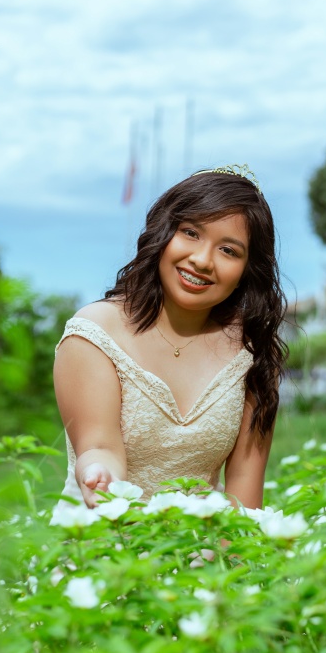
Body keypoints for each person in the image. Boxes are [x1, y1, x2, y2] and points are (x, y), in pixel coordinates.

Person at [53, 165, 287, 511]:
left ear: (247, 271)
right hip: (101, 545)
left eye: (229, 251)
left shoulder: (251, 354)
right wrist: (98, 474)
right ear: (163, 234)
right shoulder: (95, 333)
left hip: (201, 557)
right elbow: (100, 447)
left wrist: (231, 562)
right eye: (191, 233)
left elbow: (245, 498)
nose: (202, 260)